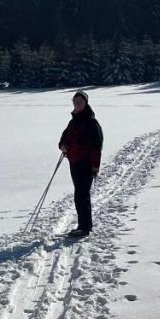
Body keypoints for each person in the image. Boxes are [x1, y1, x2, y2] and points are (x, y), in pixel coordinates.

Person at [58, 90, 103, 236]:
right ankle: (84, 226)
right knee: (80, 194)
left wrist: (95, 166)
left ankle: (84, 227)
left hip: (86, 163)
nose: (77, 104)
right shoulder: (73, 121)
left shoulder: (90, 122)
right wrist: (62, 145)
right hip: (74, 162)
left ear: (85, 103)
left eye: (80, 102)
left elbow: (97, 145)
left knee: (81, 195)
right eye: (75, 102)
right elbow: (64, 138)